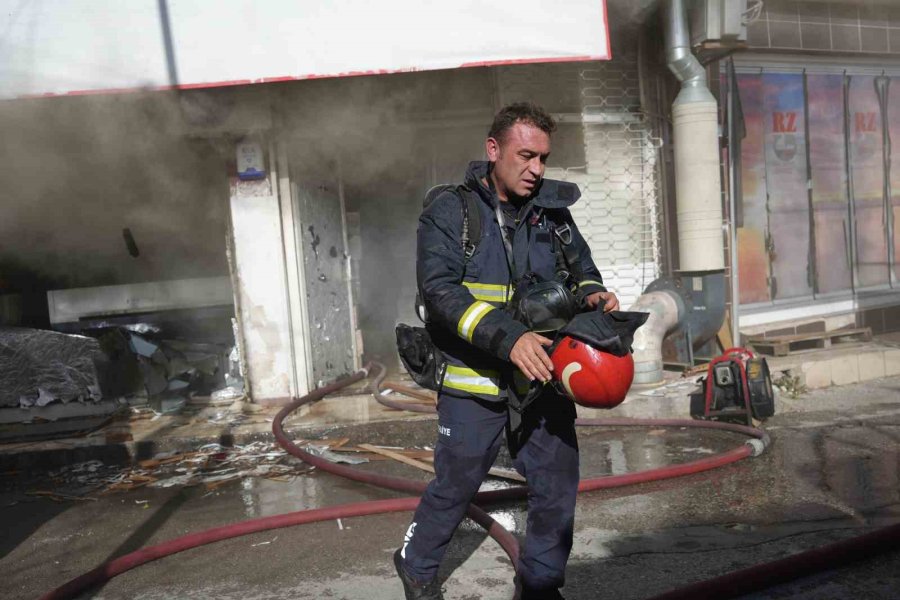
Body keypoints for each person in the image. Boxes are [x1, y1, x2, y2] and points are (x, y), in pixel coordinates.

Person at [394, 102, 619, 600]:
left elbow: (582, 268)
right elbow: (441, 293)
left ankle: (540, 584)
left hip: (542, 376)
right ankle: (417, 565)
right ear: (493, 150)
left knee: (557, 485)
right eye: (526, 156)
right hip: (474, 379)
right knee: (457, 485)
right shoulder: (451, 212)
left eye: (544, 158)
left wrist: (593, 294)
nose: (537, 170)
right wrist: (509, 337)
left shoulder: (553, 214)